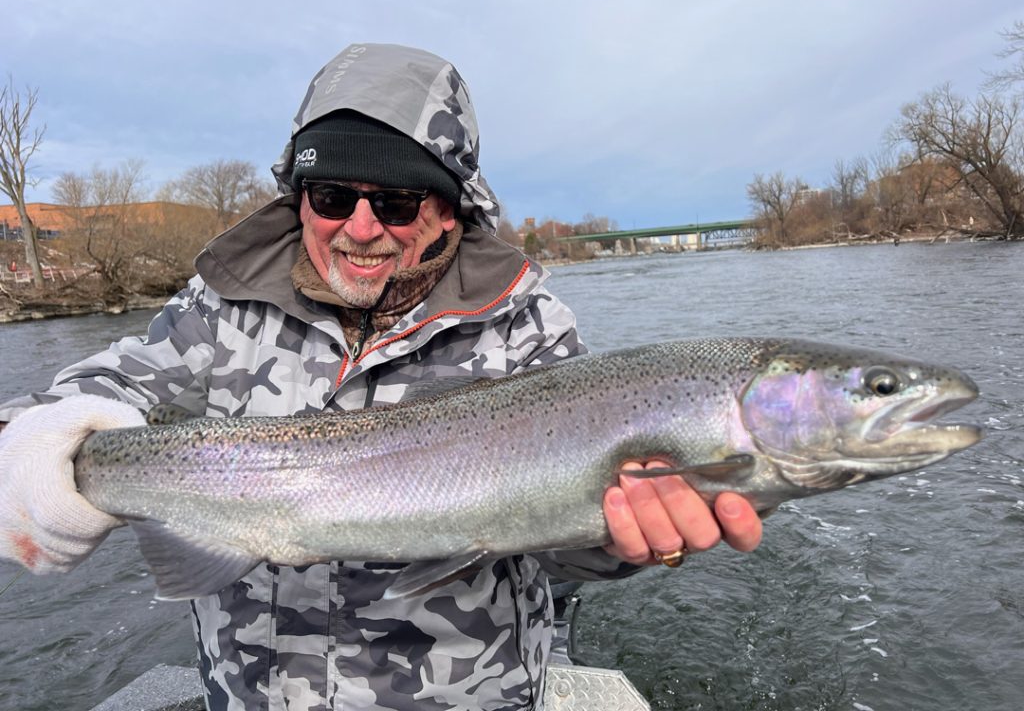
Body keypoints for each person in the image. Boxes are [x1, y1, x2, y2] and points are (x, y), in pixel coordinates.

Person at [0, 43, 762, 710]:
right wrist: (46, 435)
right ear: (301, 200)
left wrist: (625, 540)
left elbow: (559, 550)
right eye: (333, 197)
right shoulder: (219, 305)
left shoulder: (527, 327)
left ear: (449, 210)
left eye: (396, 203)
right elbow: (111, 384)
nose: (360, 229)